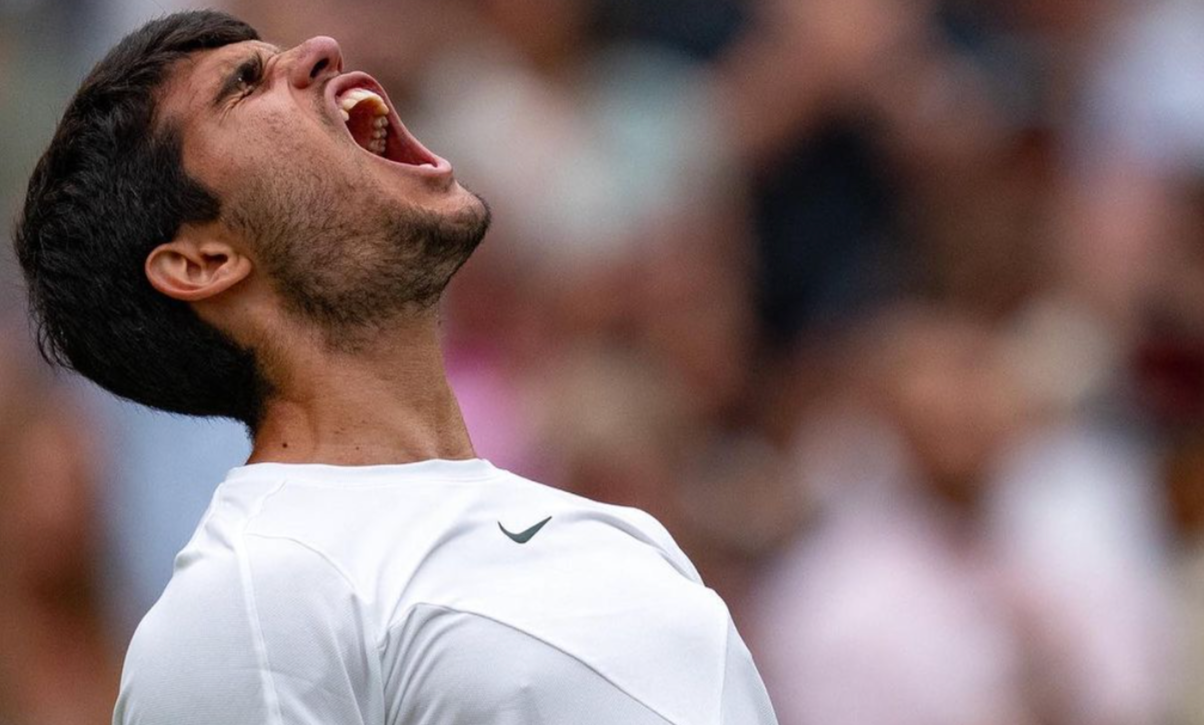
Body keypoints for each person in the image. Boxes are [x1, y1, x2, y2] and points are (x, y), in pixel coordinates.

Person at [12, 10, 777, 725]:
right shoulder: (247, 599)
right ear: (203, 260)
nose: (321, 51)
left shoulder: (623, 537)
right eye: (245, 85)